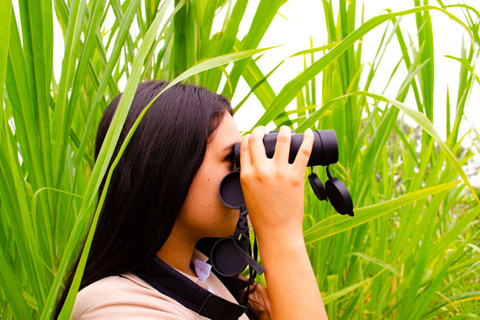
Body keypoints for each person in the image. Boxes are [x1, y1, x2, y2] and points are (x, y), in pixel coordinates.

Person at [56, 80, 328, 319]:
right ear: (169, 170)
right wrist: (281, 232)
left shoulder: (209, 278)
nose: (243, 173)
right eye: (230, 158)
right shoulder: (112, 305)